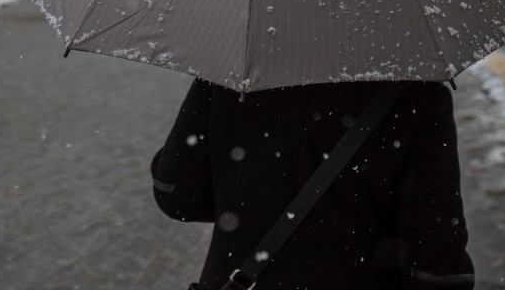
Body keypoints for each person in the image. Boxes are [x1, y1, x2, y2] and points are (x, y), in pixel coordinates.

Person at [152, 79, 475, 290]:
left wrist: (247, 195)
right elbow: (438, 268)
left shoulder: (232, 77)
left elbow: (176, 196)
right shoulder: (416, 96)